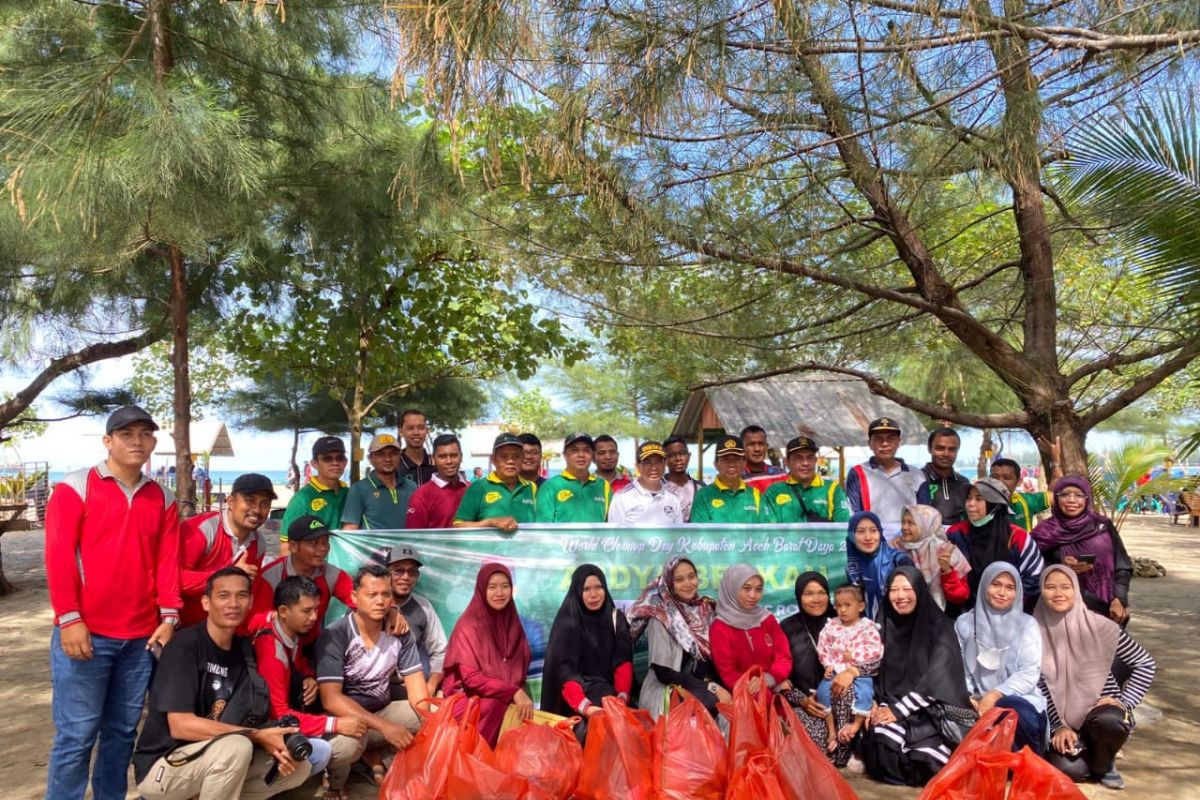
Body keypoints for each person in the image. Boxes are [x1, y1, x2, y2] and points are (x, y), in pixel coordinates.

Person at [45, 405, 180, 800]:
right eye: (126, 434)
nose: (137, 441)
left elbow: (168, 561)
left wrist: (169, 616)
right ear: (108, 441)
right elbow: (58, 555)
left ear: (154, 442)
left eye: (145, 434)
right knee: (76, 735)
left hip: (141, 639)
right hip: (87, 634)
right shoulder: (76, 487)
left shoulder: (163, 497)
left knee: (122, 733)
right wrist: (69, 619)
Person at [133, 568, 329, 800]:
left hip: (214, 755)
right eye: (223, 596)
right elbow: (181, 726)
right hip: (165, 765)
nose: (233, 603)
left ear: (250, 602)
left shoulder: (244, 649)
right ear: (206, 603)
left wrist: (274, 738)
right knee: (236, 747)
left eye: (241, 596)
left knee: (297, 766)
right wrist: (255, 735)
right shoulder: (185, 646)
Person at [1035, 566, 1156, 790]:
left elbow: (1145, 663)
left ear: (1077, 591)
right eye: (1050, 587)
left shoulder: (1101, 626)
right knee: (1072, 771)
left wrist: (1125, 701)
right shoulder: (1033, 630)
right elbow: (1040, 685)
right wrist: (1058, 726)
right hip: (1062, 718)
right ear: (1041, 591)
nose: (1058, 593)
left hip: (1100, 710)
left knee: (1110, 721)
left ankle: (1105, 762)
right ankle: (1086, 749)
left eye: (1066, 587)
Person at [859, 566, 976, 786]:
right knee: (883, 751)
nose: (900, 596)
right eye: (894, 590)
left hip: (932, 711)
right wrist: (872, 702)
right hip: (890, 704)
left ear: (920, 590)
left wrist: (898, 710)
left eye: (907, 588)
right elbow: (872, 668)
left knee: (927, 764)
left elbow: (938, 679)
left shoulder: (940, 627)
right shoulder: (883, 624)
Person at [252, 575, 368, 796]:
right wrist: (335, 724)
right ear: (284, 611)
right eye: (306, 611)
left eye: (316, 609)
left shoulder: (288, 635)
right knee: (324, 751)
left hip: (286, 722)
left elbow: (298, 665)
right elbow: (280, 716)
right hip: (269, 733)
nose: (314, 617)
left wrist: (307, 676)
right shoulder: (271, 654)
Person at [317, 565, 429, 794]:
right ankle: (335, 785)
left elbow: (417, 688)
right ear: (355, 597)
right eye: (372, 595)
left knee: (434, 715)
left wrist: (428, 720)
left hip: (382, 711)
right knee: (345, 748)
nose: (380, 601)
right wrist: (386, 728)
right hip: (347, 721)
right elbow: (331, 700)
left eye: (386, 594)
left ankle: (380, 759)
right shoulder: (335, 634)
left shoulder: (400, 632)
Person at [954, 563, 1047, 754]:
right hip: (977, 703)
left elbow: (1029, 673)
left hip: (1021, 703)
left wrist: (995, 695)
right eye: (995, 584)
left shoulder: (1027, 625)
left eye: (1010, 587)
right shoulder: (965, 624)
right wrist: (968, 696)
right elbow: (960, 668)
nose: (1002, 592)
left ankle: (1027, 761)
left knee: (1011, 707)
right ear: (984, 585)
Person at [440, 564, 534, 745]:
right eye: (492, 587)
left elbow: (519, 669)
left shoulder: (512, 622)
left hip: (503, 697)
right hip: (467, 700)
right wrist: (513, 692)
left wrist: (514, 693)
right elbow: (472, 679)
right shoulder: (467, 626)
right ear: (482, 589)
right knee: (496, 705)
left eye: (505, 586)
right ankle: (475, 759)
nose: (499, 592)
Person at [541, 565, 635, 741]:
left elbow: (623, 661)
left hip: (612, 696)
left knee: (631, 728)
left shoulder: (616, 619)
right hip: (573, 701)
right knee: (587, 734)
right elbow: (564, 673)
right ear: (577, 592)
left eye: (598, 587)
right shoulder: (567, 623)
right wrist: (587, 708)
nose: (594, 594)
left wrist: (621, 699)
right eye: (586, 589)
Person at [627, 556, 728, 719]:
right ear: (669, 584)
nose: (688, 584)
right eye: (680, 579)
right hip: (670, 688)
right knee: (709, 702)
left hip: (705, 684)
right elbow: (664, 673)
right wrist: (712, 688)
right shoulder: (662, 616)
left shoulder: (707, 610)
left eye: (691, 576)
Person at [780, 573, 860, 767]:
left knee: (852, 742)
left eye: (821, 593)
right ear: (799, 597)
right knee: (817, 753)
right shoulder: (787, 628)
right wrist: (802, 701)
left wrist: (852, 673)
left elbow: (866, 659)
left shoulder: (845, 623)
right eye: (808, 593)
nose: (816, 599)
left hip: (845, 701)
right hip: (808, 705)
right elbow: (781, 680)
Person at [1031, 476, 1133, 624]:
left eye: (1079, 495)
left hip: (1104, 608)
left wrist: (1119, 600)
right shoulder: (1044, 533)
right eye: (1065, 494)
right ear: (1056, 498)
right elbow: (1029, 570)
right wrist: (1060, 568)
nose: (1072, 500)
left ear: (1087, 498)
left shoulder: (1102, 525)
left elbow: (1123, 566)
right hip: (1060, 612)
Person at [180, 473, 275, 627]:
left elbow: (250, 590)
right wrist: (227, 575)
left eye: (265, 504)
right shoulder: (201, 530)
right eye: (250, 501)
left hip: (226, 630)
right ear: (230, 501)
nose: (257, 510)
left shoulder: (258, 544)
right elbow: (175, 581)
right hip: (184, 628)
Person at [249, 516, 355, 646]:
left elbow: (359, 600)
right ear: (293, 546)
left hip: (311, 646)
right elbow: (252, 622)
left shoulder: (332, 574)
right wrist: (279, 618)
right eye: (314, 543)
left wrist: (387, 612)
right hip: (274, 643)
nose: (323, 549)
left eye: (325, 542)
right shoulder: (270, 576)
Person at [945, 478, 1044, 614]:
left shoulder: (1018, 538)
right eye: (969, 498)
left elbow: (1034, 577)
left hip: (1009, 616)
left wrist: (1004, 603)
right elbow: (950, 577)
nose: (970, 504)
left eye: (979, 499)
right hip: (964, 616)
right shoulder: (955, 534)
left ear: (995, 505)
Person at [815, 584, 883, 752]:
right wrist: (828, 664)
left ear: (860, 606)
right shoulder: (831, 627)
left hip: (858, 671)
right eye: (838, 605)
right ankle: (831, 730)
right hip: (836, 670)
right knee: (823, 693)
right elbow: (822, 648)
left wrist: (855, 655)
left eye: (847, 605)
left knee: (866, 693)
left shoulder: (868, 628)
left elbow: (876, 651)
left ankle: (856, 725)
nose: (842, 610)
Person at [709, 564, 793, 692]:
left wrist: (771, 679)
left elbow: (783, 656)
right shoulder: (720, 628)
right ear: (731, 588)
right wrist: (755, 688)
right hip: (746, 694)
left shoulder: (766, 619)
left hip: (776, 685)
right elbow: (728, 673)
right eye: (746, 588)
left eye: (758, 589)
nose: (753, 595)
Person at [387, 545, 448, 696]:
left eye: (412, 572)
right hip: (379, 688)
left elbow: (440, 652)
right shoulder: (373, 604)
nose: (406, 577)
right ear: (386, 573)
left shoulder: (423, 606)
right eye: (399, 570)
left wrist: (431, 686)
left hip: (416, 685)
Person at [844, 417, 921, 536]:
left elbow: (924, 513)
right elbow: (855, 513)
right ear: (870, 444)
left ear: (899, 442)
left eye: (890, 439)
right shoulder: (858, 473)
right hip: (872, 542)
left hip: (908, 542)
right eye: (878, 439)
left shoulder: (916, 474)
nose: (885, 444)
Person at [453, 432, 537, 532]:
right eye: (504, 456)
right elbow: (458, 526)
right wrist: (490, 523)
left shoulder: (531, 487)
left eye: (516, 456)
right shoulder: (478, 487)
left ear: (522, 459)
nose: (510, 461)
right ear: (493, 459)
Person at [280, 436, 349, 555]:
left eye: (340, 457)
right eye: (327, 458)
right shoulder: (302, 498)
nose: (335, 463)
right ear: (314, 464)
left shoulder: (348, 493)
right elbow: (286, 546)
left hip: (346, 564)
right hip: (314, 566)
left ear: (345, 461)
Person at [895, 504, 970, 610]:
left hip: (943, 616)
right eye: (903, 522)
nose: (904, 527)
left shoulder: (947, 551)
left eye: (910, 523)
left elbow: (961, 595)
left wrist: (947, 570)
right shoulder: (898, 548)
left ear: (925, 525)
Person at [764, 435, 850, 522]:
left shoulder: (833, 489)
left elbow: (844, 526)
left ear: (815, 460)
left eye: (810, 457)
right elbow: (769, 530)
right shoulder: (774, 491)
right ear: (787, 462)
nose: (805, 463)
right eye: (798, 458)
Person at [845, 510, 913, 619]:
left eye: (873, 530)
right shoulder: (851, 566)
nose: (868, 537)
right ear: (852, 535)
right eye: (861, 531)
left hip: (897, 625)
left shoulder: (899, 560)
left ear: (880, 533)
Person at [341, 433, 416, 531]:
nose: (388, 459)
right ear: (370, 458)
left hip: (408, 546)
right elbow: (350, 529)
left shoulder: (412, 486)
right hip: (372, 547)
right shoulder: (358, 489)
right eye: (381, 454)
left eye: (393, 453)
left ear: (400, 457)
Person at [989, 436, 1063, 532]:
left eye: (1007, 478)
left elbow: (1054, 494)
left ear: (1018, 482)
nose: (999, 482)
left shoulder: (1026, 501)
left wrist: (1056, 460)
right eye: (995, 477)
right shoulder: (978, 503)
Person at [690, 436, 770, 523]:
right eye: (726, 459)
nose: (731, 464)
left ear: (744, 463)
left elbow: (764, 532)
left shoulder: (756, 495)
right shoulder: (703, 496)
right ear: (716, 464)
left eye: (736, 459)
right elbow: (700, 534)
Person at [535, 432, 611, 522]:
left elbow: (612, 524)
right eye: (575, 450)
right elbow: (544, 527)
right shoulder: (550, 486)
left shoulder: (604, 486)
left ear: (592, 455)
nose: (581, 455)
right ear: (565, 455)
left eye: (586, 450)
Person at [608, 441, 684, 525]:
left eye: (659, 462)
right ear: (637, 466)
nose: (654, 467)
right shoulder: (622, 498)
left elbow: (678, 535)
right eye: (647, 463)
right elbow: (615, 535)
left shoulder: (673, 499)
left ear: (665, 464)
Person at [405, 434, 469, 529]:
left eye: (454, 455)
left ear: (461, 457)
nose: (449, 461)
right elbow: (414, 539)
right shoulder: (421, 496)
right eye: (442, 457)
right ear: (433, 459)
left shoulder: (474, 490)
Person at [916, 428, 972, 525]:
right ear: (929, 449)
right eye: (940, 448)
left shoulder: (963, 482)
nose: (946, 454)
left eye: (952, 449)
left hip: (957, 537)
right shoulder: (917, 479)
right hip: (927, 538)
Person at [663, 435, 705, 521]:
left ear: (689, 456)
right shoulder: (658, 487)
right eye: (671, 455)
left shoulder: (700, 488)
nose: (678, 458)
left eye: (682, 453)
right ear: (664, 460)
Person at [397, 409, 436, 486]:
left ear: (427, 431)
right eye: (410, 428)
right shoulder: (394, 466)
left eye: (421, 428)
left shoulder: (437, 465)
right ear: (401, 432)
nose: (416, 432)